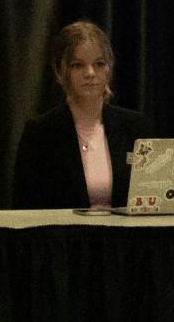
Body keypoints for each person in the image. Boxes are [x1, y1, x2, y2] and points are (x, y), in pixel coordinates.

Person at [10, 21, 150, 210]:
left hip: (125, 238)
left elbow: (153, 197)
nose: (90, 73)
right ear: (60, 72)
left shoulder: (135, 126)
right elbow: (24, 206)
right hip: (63, 238)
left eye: (99, 64)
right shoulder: (39, 133)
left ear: (109, 70)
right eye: (78, 65)